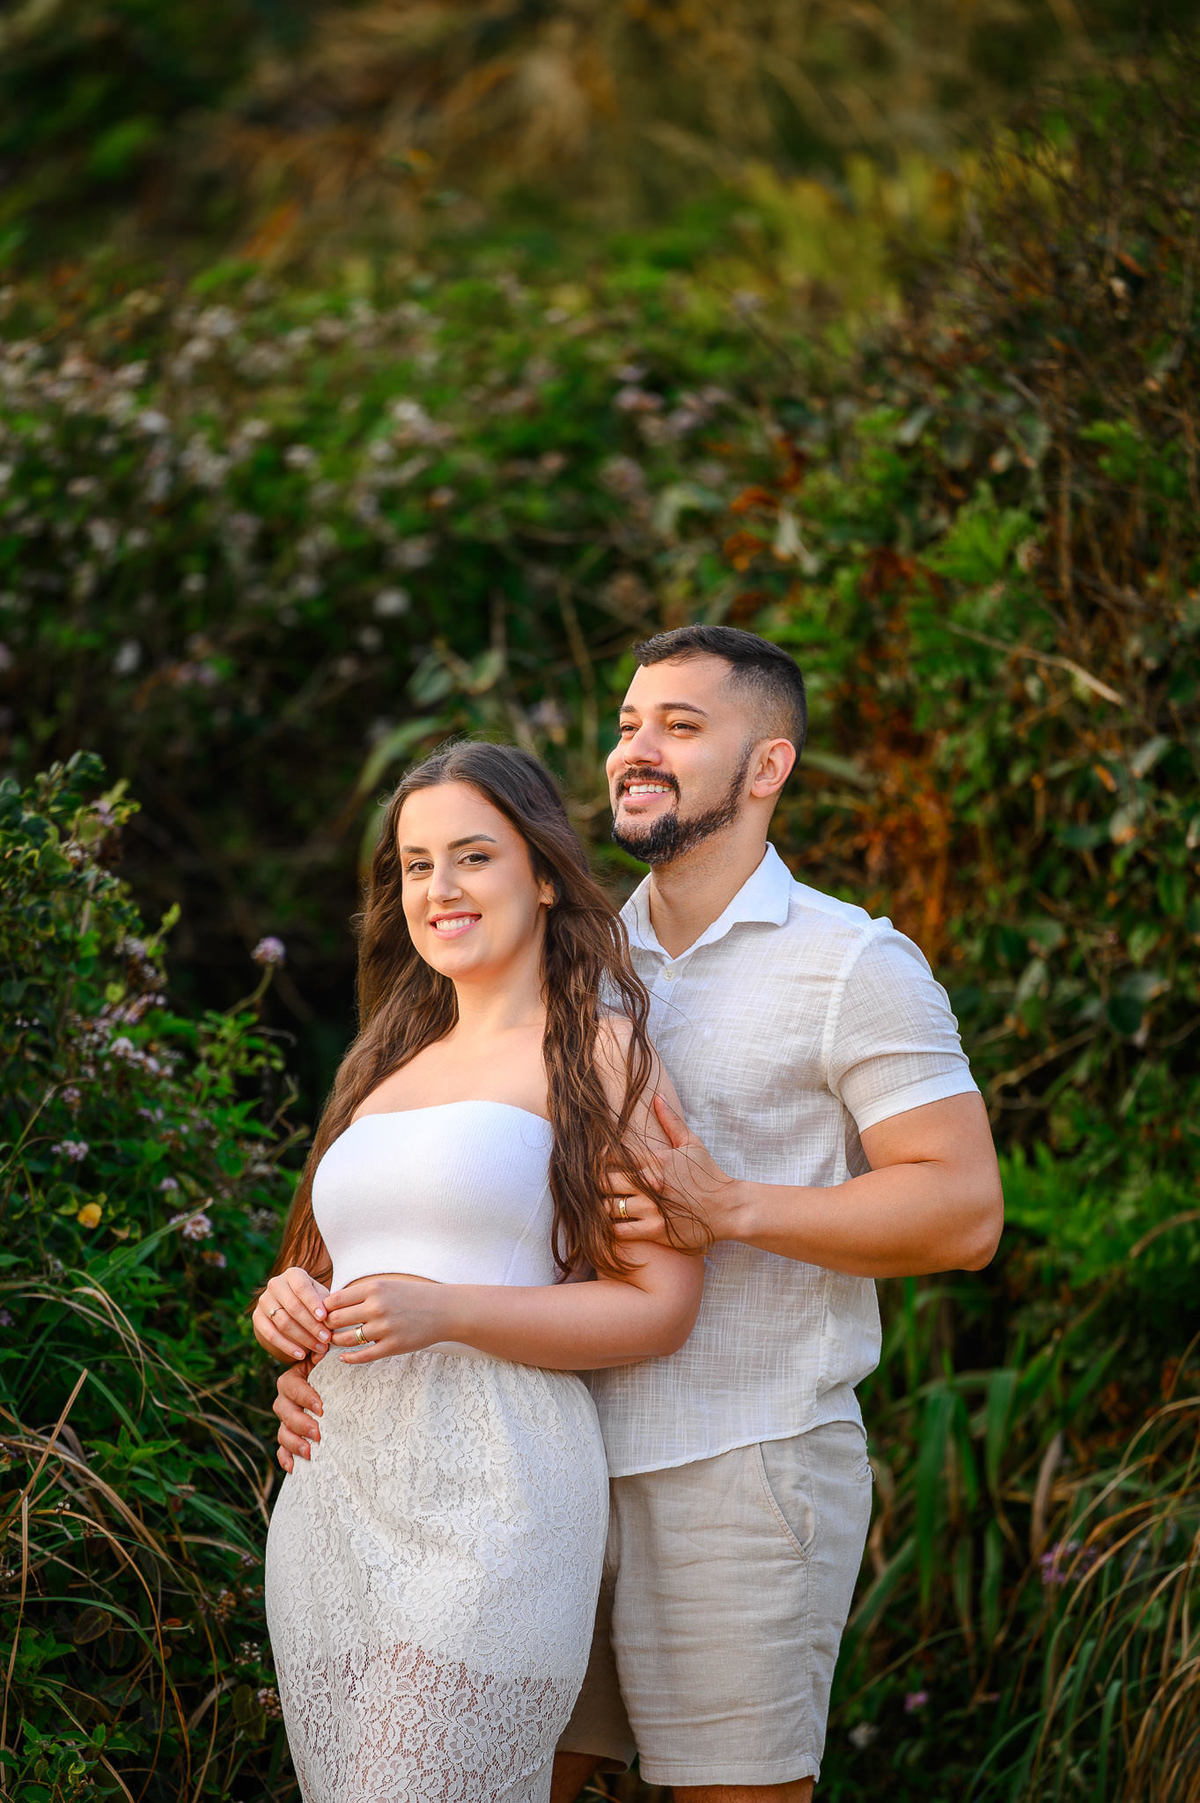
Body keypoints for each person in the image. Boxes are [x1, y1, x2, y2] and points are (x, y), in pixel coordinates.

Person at [274, 626, 1004, 1803]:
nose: (636, 750)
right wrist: (337, 1356)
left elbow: (964, 1212)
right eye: (626, 725)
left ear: (767, 767)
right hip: (542, 1459)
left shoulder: (852, 964)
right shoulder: (591, 966)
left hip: (737, 1457)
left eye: (680, 725)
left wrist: (735, 1206)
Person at [253, 741, 703, 1803]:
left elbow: (661, 1307)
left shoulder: (598, 1053)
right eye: (416, 866)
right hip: (335, 1497)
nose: (440, 890)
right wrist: (286, 1317)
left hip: (497, 1496)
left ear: (542, 873)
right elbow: (334, 1274)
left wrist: (450, 1312)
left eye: (472, 857)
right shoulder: (381, 1063)